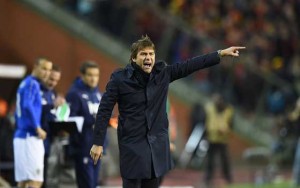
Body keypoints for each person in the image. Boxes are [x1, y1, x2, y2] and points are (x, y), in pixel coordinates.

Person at [90, 35, 245, 188]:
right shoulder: (119, 80)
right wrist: (98, 142)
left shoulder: (162, 74)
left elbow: (191, 65)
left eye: (151, 54)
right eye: (143, 54)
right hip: (132, 147)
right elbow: (104, 109)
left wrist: (219, 54)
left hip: (155, 148)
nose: (148, 57)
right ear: (133, 58)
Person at [13, 58, 52, 188]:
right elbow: (27, 105)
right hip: (29, 137)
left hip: (21, 137)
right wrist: (37, 127)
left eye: (49, 70)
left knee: (23, 181)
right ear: (35, 66)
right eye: (44, 68)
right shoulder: (32, 84)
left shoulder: (24, 83)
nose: (47, 73)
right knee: (35, 181)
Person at [66, 61, 104, 188]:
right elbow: (69, 120)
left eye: (96, 75)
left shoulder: (98, 94)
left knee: (94, 184)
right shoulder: (74, 94)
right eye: (90, 75)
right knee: (87, 185)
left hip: (97, 147)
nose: (93, 79)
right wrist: (90, 123)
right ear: (82, 75)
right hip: (83, 147)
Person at [40, 64, 65, 188]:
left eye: (56, 80)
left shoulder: (53, 93)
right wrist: (52, 105)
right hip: (36, 140)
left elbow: (53, 115)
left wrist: (61, 126)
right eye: (51, 79)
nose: (53, 83)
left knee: (44, 176)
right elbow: (35, 112)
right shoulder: (36, 91)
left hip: (48, 140)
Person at [204, 93, 234, 187]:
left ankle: (228, 177)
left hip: (223, 139)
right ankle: (208, 177)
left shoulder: (229, 110)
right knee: (210, 160)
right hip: (211, 137)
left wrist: (226, 129)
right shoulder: (209, 108)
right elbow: (205, 120)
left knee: (225, 159)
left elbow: (231, 125)